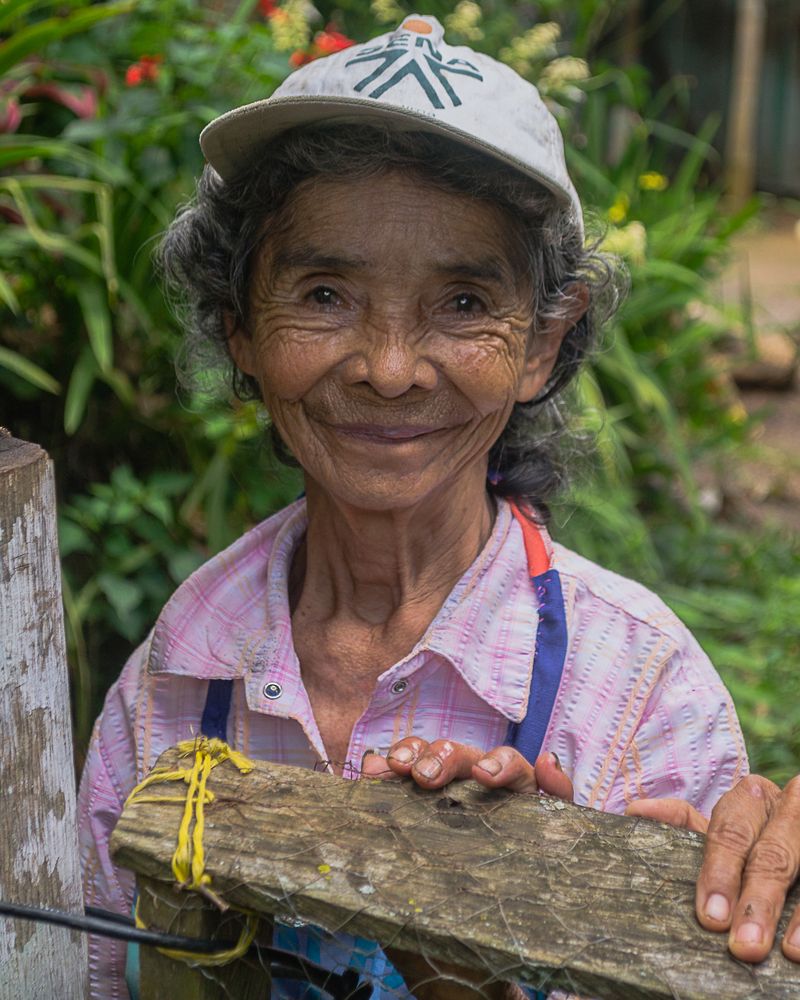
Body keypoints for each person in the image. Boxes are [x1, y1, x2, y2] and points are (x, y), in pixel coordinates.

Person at [77, 14, 800, 999]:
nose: (387, 367)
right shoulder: (179, 670)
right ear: (239, 324)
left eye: (462, 304)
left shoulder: (640, 699)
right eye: (324, 292)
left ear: (543, 341)